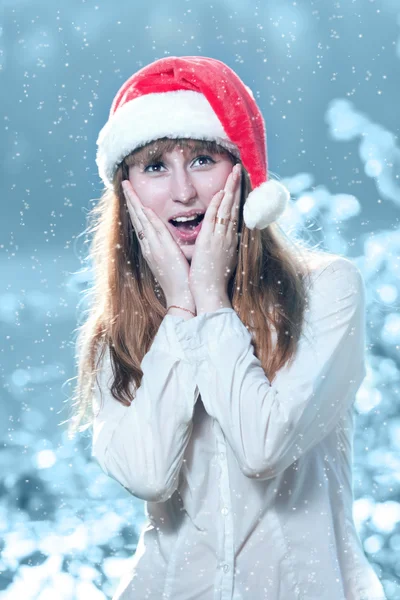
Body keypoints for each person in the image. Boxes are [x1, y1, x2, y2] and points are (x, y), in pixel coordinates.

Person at [68, 56, 386, 599]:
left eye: (202, 159)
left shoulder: (329, 290)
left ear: (244, 173)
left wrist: (211, 302)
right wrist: (178, 315)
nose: (184, 192)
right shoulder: (117, 331)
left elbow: (262, 447)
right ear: (128, 194)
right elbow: (146, 474)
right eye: (154, 167)